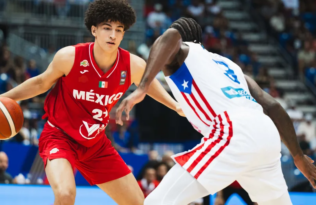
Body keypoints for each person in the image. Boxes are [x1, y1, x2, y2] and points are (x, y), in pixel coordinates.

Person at [0, 0, 183, 204]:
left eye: (119, 30)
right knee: (66, 194)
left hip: (96, 144)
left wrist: (175, 105)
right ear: (94, 30)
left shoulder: (132, 65)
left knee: (137, 202)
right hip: (60, 137)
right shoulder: (70, 57)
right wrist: (0, 98)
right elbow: (41, 82)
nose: (113, 35)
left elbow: (148, 84)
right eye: (107, 28)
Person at [117, 17, 316, 205]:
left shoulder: (185, 51)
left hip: (234, 131)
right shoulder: (231, 67)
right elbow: (273, 106)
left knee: (157, 202)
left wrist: (143, 87)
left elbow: (170, 35)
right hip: (266, 134)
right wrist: (298, 156)